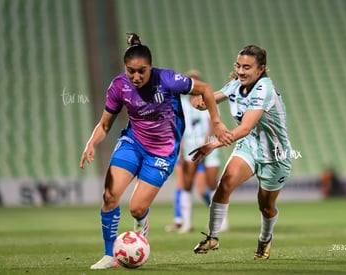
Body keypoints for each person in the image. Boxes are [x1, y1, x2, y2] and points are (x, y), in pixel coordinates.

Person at [79, 33, 232, 269]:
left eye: (142, 71)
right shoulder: (119, 86)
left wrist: (217, 121)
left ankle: (141, 223)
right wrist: (91, 142)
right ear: (125, 68)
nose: (136, 76)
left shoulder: (168, 79)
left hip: (162, 152)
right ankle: (110, 255)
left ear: (151, 67)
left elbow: (206, 89)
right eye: (131, 71)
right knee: (110, 195)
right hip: (132, 143)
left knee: (136, 207)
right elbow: (105, 124)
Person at [190, 45, 292, 259]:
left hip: (274, 155)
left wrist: (212, 144)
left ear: (261, 69)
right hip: (250, 145)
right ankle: (213, 237)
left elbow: (245, 127)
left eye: (247, 67)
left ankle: (265, 238)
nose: (241, 71)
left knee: (266, 207)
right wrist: (201, 101)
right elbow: (214, 96)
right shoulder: (237, 84)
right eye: (238, 65)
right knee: (224, 185)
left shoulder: (264, 89)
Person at [166, 71, 226, 233]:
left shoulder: (209, 100)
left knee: (212, 183)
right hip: (189, 148)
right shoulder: (183, 104)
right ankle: (186, 222)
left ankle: (221, 221)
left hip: (209, 145)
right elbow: (179, 127)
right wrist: (180, 147)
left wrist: (206, 141)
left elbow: (214, 122)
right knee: (186, 184)